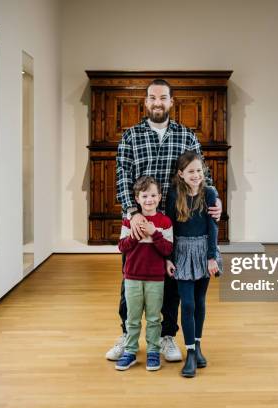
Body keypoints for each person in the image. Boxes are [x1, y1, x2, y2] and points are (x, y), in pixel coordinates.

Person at [107, 79, 222, 362]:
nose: (157, 102)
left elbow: (200, 172)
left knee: (170, 281)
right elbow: (122, 175)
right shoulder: (130, 136)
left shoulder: (187, 136)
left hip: (175, 221)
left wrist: (214, 200)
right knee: (130, 277)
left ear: (171, 102)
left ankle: (167, 335)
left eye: (163, 98)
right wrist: (132, 214)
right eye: (152, 98)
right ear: (145, 102)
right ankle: (127, 334)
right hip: (138, 219)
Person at [165, 151, 221, 378]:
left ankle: (197, 345)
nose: (196, 175)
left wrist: (211, 257)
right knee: (186, 304)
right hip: (181, 252)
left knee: (199, 301)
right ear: (181, 174)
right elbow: (169, 227)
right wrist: (168, 257)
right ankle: (189, 352)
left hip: (204, 252)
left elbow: (213, 228)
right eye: (190, 171)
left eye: (199, 170)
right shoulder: (173, 194)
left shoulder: (209, 194)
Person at [115, 176, 173, 371]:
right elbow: (122, 247)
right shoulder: (128, 221)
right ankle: (130, 351)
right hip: (132, 277)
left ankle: (153, 352)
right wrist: (135, 234)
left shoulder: (164, 222)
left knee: (154, 318)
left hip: (156, 279)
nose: (149, 200)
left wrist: (153, 232)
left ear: (160, 197)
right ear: (137, 199)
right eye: (145, 195)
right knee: (132, 318)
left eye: (153, 195)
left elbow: (167, 249)